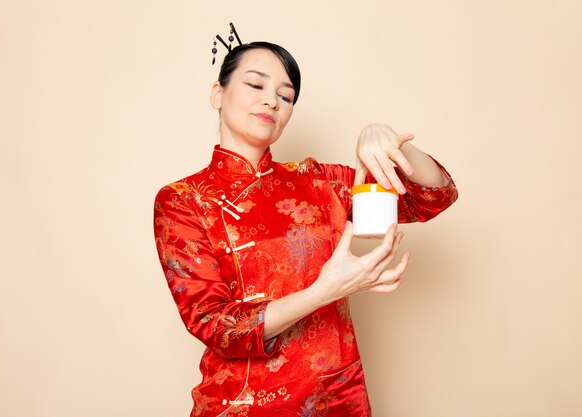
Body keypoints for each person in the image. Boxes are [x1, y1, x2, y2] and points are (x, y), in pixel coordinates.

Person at [153, 25, 458, 417]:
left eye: (286, 95)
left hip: (337, 400)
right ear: (218, 94)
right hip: (243, 405)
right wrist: (325, 290)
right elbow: (217, 327)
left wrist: (387, 139)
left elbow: (433, 197)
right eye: (255, 85)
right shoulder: (183, 201)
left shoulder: (320, 181)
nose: (272, 101)